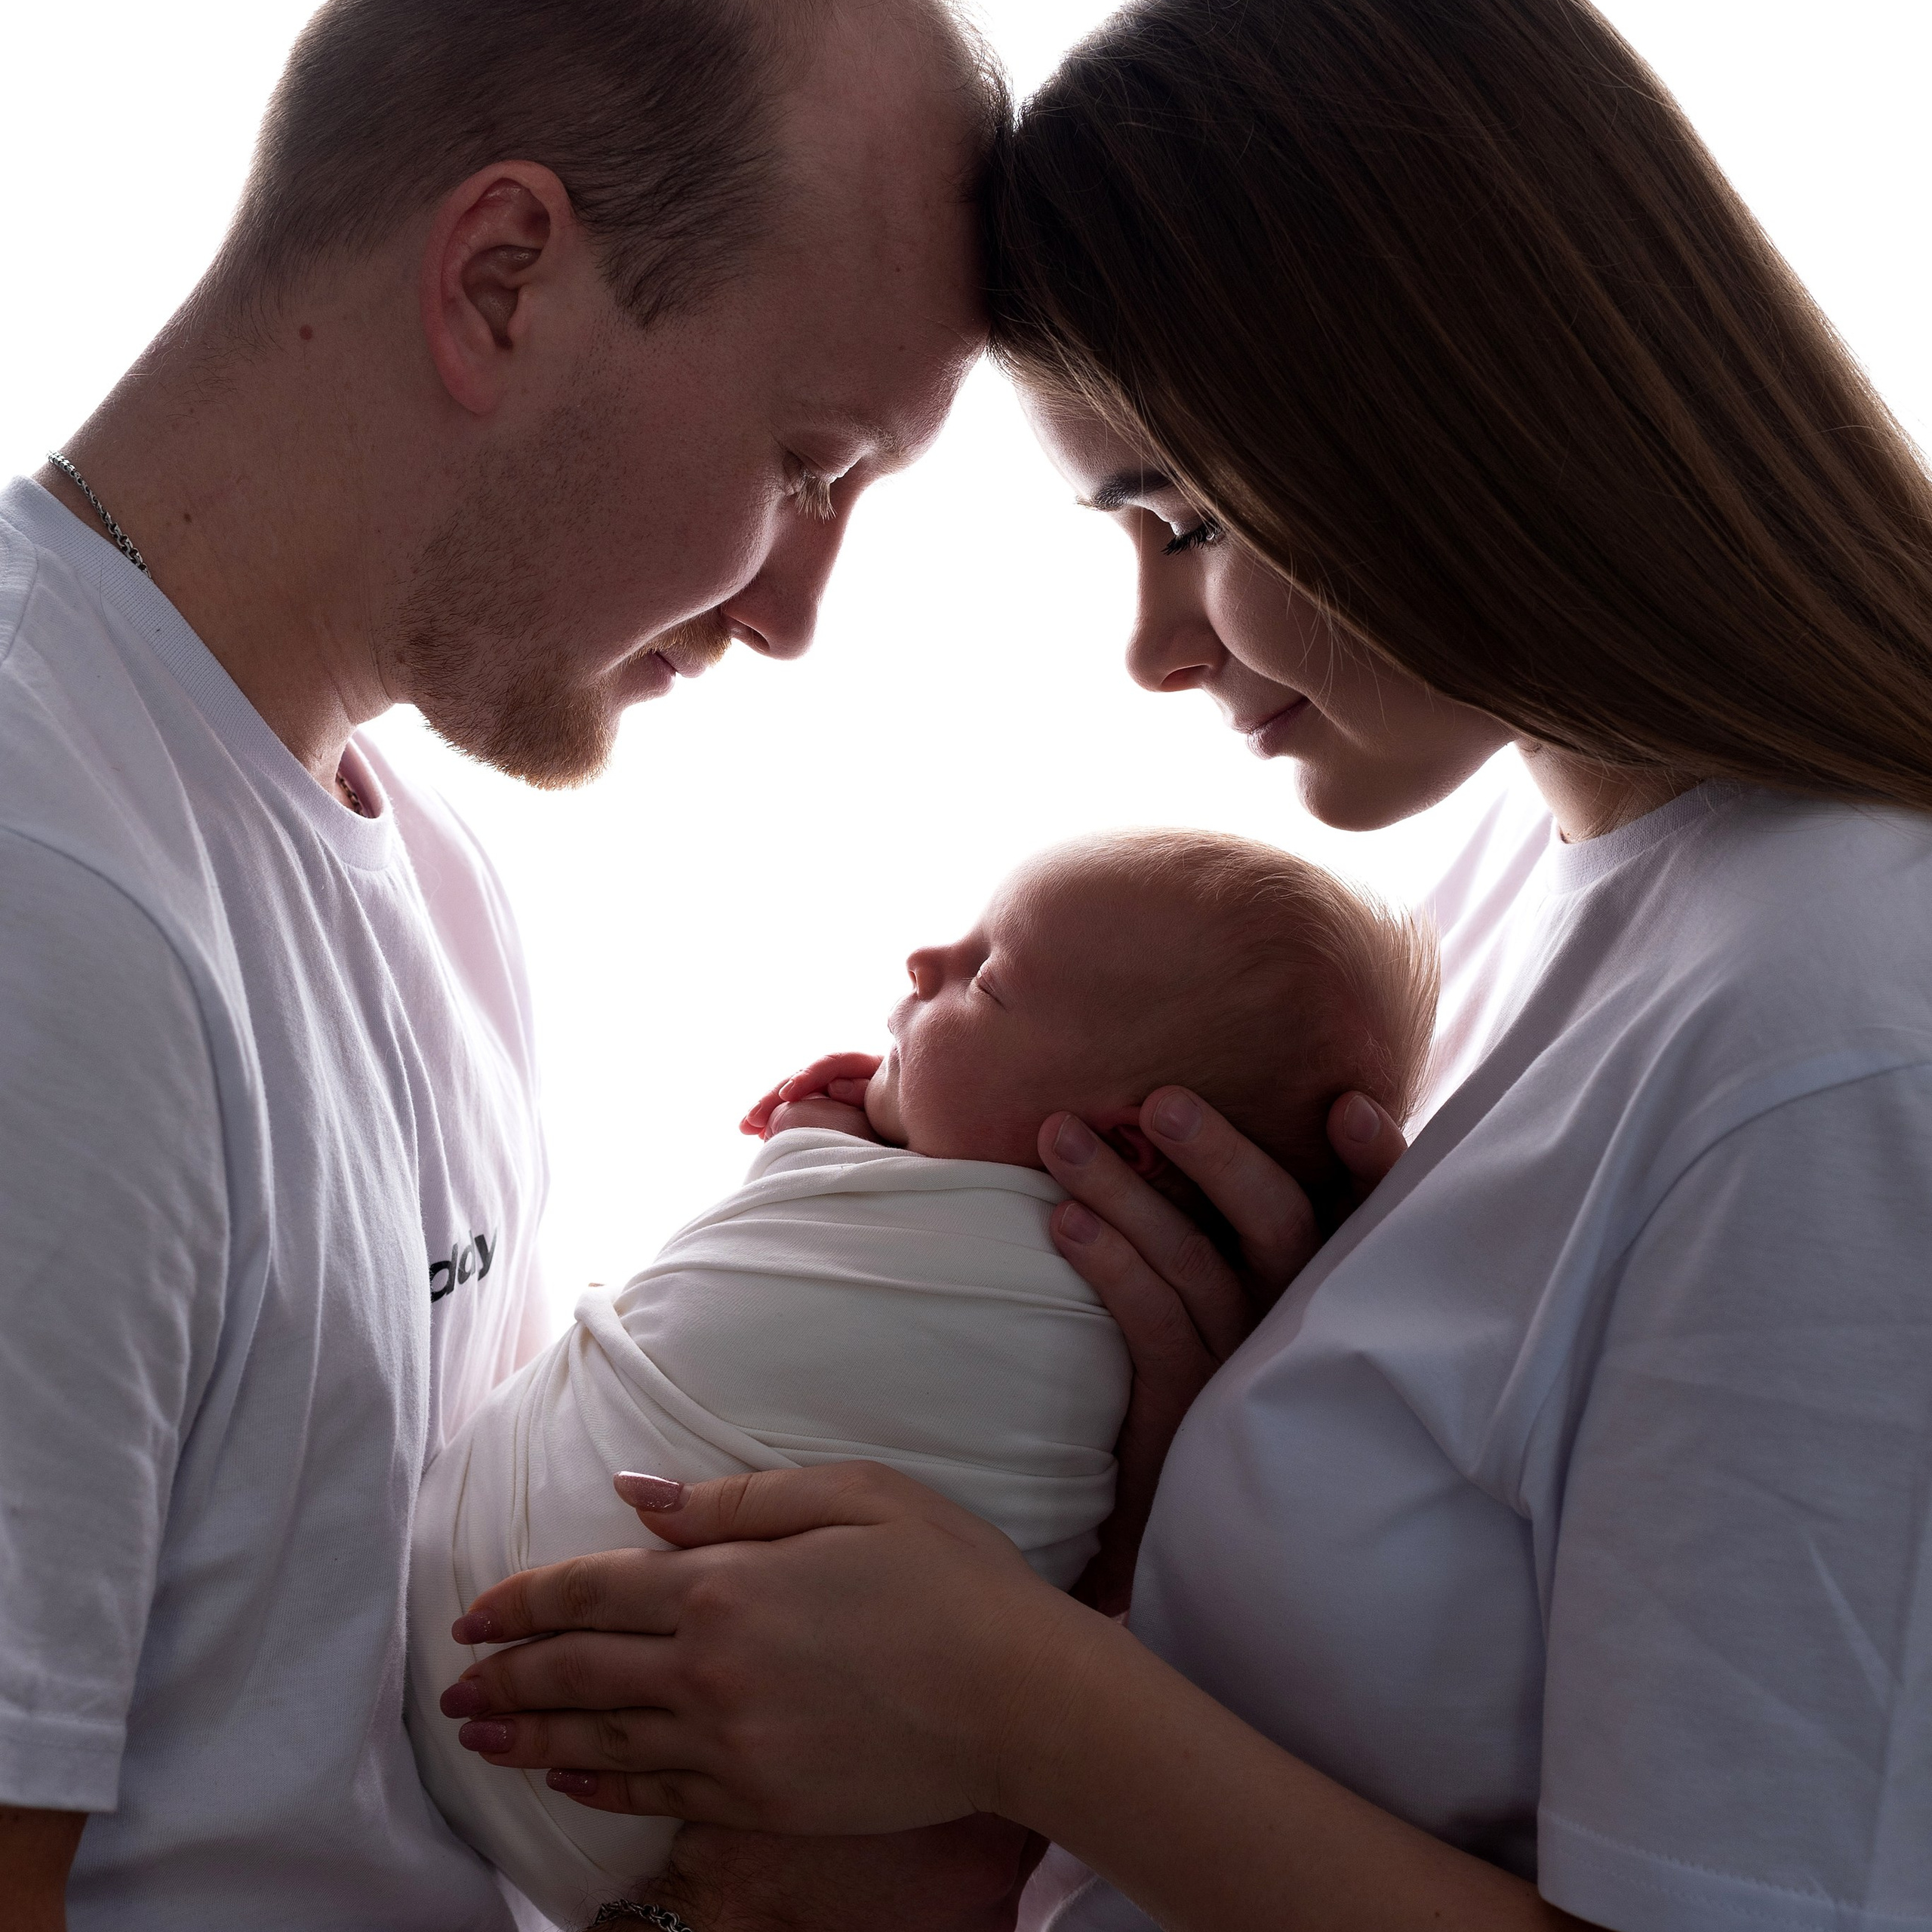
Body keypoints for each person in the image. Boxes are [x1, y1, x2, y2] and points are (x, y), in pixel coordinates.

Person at [435, 3, 1932, 1930]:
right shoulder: (1516, 881)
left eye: (1180, 516)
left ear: (1465, 407)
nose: (1151, 647)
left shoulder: (1829, 1039)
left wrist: (1011, 1704)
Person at [0, 1, 1001, 1927]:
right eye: (807, 468)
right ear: (505, 280)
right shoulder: (50, 900)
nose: (797, 612)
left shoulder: (421, 872)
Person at [414, 829, 1436, 1926]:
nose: (923, 963)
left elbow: (799, 1212)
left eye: (986, 980)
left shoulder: (1004, 1276)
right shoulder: (1135, 1321)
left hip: (612, 1763)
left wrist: (815, 1130)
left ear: (1128, 1150)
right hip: (612, 1812)